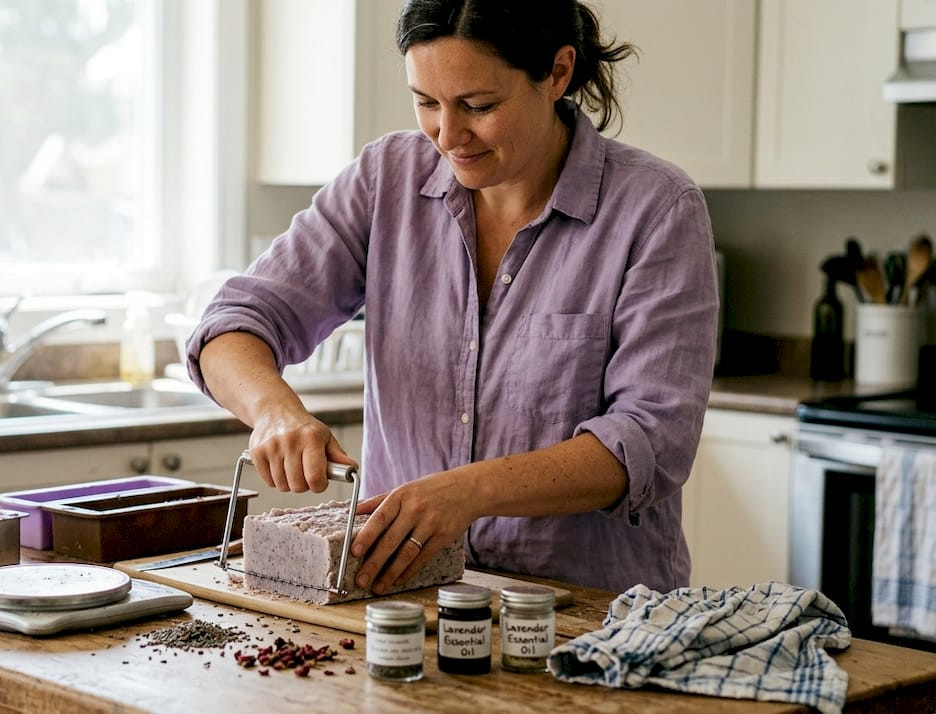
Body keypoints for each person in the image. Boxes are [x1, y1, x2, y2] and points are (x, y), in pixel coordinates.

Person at [186, 0, 717, 595]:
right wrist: (273, 410)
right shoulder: (384, 179)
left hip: (589, 612)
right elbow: (232, 326)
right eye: (426, 102)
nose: (448, 134)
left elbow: (650, 440)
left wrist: (469, 491)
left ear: (557, 72)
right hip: (405, 598)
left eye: (479, 106)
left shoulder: (657, 209)